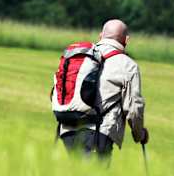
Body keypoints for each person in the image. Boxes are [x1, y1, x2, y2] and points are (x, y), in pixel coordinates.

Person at [57, 19, 148, 159]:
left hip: (67, 129)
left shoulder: (83, 56)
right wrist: (139, 134)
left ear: (101, 36)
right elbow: (134, 109)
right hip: (98, 134)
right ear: (126, 40)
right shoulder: (128, 65)